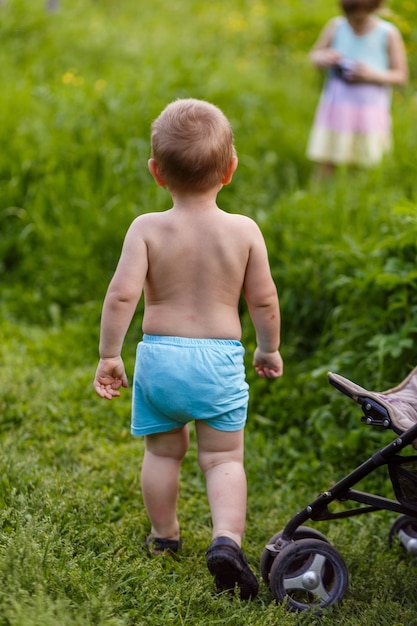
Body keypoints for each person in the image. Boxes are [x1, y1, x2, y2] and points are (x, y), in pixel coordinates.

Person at [93, 98, 283, 600]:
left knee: (162, 452)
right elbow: (262, 298)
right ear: (231, 169)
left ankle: (165, 536)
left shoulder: (147, 229)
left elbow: (122, 294)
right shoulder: (243, 231)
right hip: (218, 361)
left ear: (156, 172)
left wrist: (110, 354)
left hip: (159, 358)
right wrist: (267, 349)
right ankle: (226, 540)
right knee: (223, 459)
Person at [306, 0, 408, 178]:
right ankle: (321, 195)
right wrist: (323, 58)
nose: (355, 23)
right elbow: (313, 56)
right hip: (337, 107)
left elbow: (401, 76)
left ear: (375, 8)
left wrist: (371, 75)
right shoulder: (336, 26)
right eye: (351, 18)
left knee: (364, 160)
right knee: (329, 157)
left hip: (369, 110)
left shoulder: (388, 32)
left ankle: (355, 196)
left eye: (361, 19)